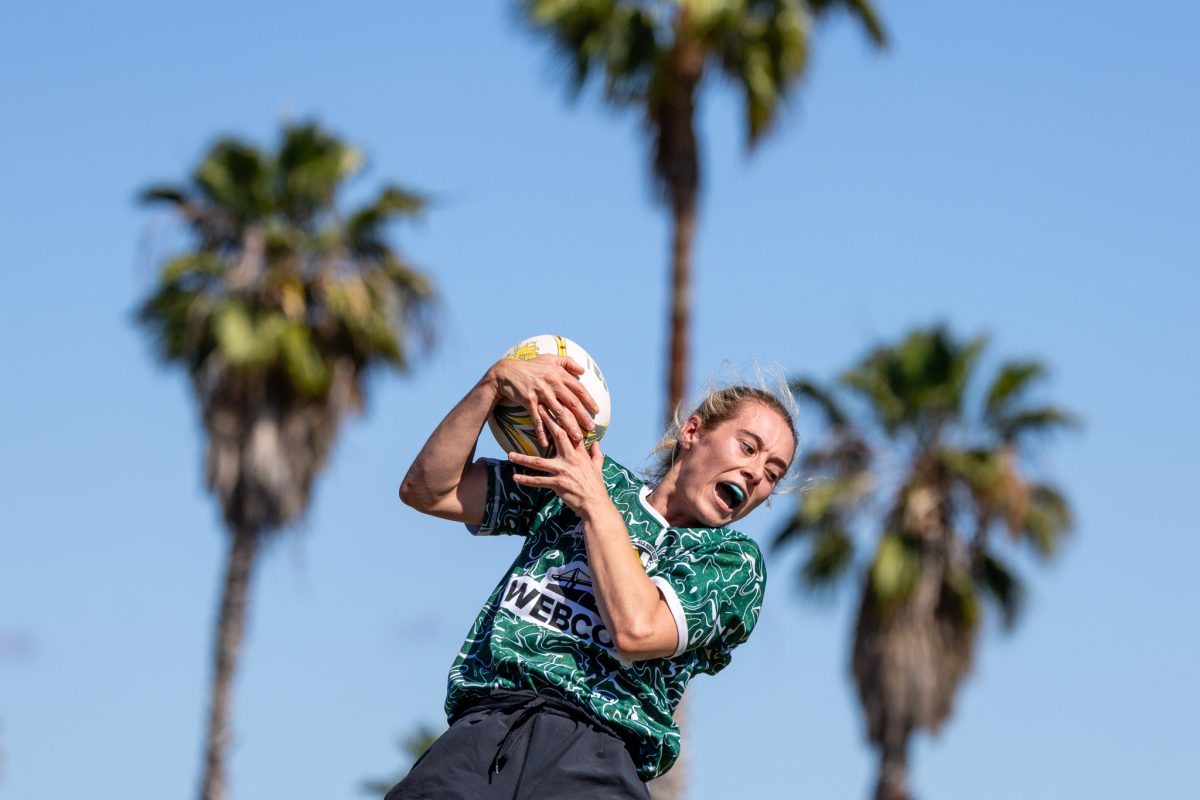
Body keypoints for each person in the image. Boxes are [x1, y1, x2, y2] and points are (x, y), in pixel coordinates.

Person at [391, 352, 797, 799]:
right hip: (484, 735)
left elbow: (637, 630)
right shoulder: (582, 477)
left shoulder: (733, 564)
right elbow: (429, 490)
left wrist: (593, 503)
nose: (757, 472)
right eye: (748, 447)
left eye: (773, 473)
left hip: (597, 761)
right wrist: (492, 385)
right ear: (693, 431)